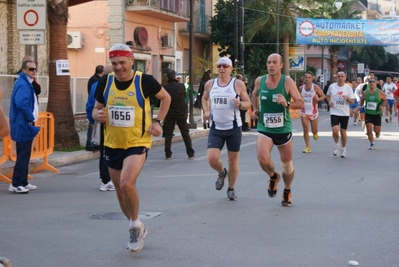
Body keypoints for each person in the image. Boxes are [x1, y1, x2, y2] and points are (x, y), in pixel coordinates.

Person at [92, 44, 171, 252]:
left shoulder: (144, 81)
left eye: (122, 63)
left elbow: (166, 98)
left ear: (131, 61)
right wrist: (96, 115)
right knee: (119, 192)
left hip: (138, 141)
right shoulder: (105, 82)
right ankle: (135, 223)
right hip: (112, 143)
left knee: (127, 184)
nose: (118, 68)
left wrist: (158, 122)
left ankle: (135, 227)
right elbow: (96, 109)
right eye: (114, 63)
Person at [251, 53, 304, 207]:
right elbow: (254, 94)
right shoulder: (260, 81)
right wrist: (255, 109)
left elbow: (300, 103)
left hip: (283, 128)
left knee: (287, 166)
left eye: (274, 62)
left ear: (281, 65)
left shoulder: (287, 82)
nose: (271, 65)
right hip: (264, 126)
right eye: (269, 62)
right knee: (262, 159)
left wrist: (287, 103)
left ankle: (287, 190)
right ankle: (273, 176)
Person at [201, 57, 251, 201]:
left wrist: (240, 104)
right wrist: (206, 111)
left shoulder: (238, 84)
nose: (221, 69)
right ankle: (222, 173)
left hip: (233, 128)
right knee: (212, 158)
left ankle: (231, 188)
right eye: (219, 66)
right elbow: (204, 99)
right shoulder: (210, 84)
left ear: (230, 69)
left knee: (233, 161)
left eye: (225, 66)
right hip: (216, 127)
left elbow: (248, 103)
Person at [8, 60, 40, 194]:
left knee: (25, 153)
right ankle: (16, 184)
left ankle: (23, 182)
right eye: (31, 69)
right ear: (24, 70)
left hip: (23, 123)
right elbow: (21, 103)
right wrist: (30, 118)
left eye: (35, 69)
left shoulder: (26, 82)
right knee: (23, 154)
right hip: (22, 124)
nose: (34, 71)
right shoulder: (23, 84)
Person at [86, 64, 114, 191]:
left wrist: (92, 120)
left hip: (99, 120)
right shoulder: (112, 85)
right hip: (109, 123)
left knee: (103, 150)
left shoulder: (94, 85)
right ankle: (108, 179)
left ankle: (105, 179)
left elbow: (90, 104)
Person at [163, 69, 195, 160]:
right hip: (180, 112)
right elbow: (183, 97)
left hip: (169, 112)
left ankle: (168, 154)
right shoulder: (181, 86)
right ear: (174, 76)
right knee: (185, 133)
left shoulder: (165, 87)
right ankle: (190, 153)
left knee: (168, 134)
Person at [325, 71, 355, 158]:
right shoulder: (332, 86)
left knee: (343, 132)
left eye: (342, 76)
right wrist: (329, 102)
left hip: (344, 113)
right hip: (334, 111)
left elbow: (352, 101)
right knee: (335, 130)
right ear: (336, 78)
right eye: (338, 76)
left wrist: (347, 99)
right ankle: (337, 144)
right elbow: (327, 96)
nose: (340, 78)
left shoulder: (348, 88)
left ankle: (344, 149)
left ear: (345, 78)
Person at [299, 71, 325, 153]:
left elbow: (323, 96)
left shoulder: (315, 87)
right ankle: (307, 146)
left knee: (314, 130)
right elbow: (298, 97)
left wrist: (318, 99)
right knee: (305, 128)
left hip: (313, 112)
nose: (307, 79)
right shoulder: (301, 88)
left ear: (312, 79)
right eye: (306, 77)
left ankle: (315, 133)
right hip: (304, 111)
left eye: (309, 77)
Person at [359, 77, 387, 150]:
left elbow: (385, 100)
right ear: (368, 83)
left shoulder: (380, 92)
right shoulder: (365, 93)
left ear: (376, 83)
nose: (371, 83)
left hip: (377, 113)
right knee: (368, 129)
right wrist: (360, 106)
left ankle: (378, 133)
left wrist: (382, 106)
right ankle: (372, 143)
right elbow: (361, 100)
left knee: (376, 131)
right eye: (370, 82)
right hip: (368, 113)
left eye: (373, 82)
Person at [85, 66, 106, 151]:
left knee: (92, 126)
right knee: (93, 127)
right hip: (98, 112)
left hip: (93, 110)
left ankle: (91, 143)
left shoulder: (94, 82)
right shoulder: (99, 84)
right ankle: (91, 143)